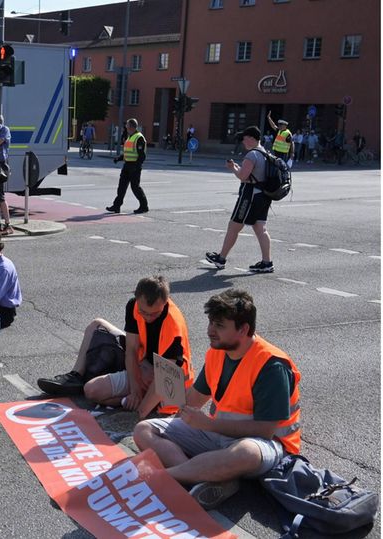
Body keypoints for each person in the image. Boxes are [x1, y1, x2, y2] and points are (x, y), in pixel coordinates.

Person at [133, 289, 301, 510]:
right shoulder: (217, 351)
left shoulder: (272, 365)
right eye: (211, 322)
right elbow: (195, 398)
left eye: (219, 325)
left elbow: (265, 430)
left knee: (246, 454)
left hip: (267, 444)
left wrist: (208, 424)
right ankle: (204, 476)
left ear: (243, 329)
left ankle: (164, 477)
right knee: (143, 430)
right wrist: (176, 414)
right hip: (218, 434)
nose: (210, 330)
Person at [37, 275, 193, 417]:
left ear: (165, 302)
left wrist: (140, 413)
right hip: (143, 365)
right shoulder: (133, 306)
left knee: (143, 407)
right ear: (136, 298)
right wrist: (135, 390)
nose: (148, 318)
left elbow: (166, 377)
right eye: (143, 312)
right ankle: (76, 376)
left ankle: (138, 403)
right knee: (91, 388)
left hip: (169, 383)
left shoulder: (174, 325)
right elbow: (131, 351)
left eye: (154, 314)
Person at [205, 126, 274, 273]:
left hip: (249, 195)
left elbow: (243, 176)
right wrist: (238, 168)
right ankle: (267, 262)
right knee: (260, 228)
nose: (243, 141)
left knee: (234, 226)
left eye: (244, 138)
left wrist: (233, 168)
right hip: (264, 195)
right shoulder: (266, 153)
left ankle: (221, 258)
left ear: (251, 138)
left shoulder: (252, 155)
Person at [106, 118, 149, 214]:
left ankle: (144, 206)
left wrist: (137, 166)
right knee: (121, 187)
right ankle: (116, 206)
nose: (126, 127)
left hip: (135, 166)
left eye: (127, 126)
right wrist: (119, 158)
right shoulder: (130, 137)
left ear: (131, 127)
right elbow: (128, 152)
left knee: (135, 187)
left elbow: (142, 155)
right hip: (127, 165)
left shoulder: (139, 138)